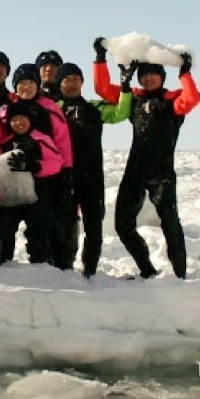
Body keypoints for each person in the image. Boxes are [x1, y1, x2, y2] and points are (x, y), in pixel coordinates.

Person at [93, 38, 200, 278]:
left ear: (162, 77)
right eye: (144, 76)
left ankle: (180, 275)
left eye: (153, 75)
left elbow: (192, 98)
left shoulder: (172, 101)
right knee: (122, 224)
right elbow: (103, 90)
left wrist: (184, 73)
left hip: (161, 174)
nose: (148, 79)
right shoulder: (134, 98)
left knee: (170, 224)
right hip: (135, 170)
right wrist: (101, 59)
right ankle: (147, 270)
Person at [55, 61, 132, 277]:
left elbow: (120, 113)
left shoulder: (94, 107)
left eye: (75, 79)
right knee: (65, 225)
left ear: (82, 82)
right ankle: (63, 268)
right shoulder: (53, 109)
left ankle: (89, 270)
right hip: (64, 177)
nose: (71, 84)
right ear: (59, 83)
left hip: (91, 176)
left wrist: (125, 88)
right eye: (66, 80)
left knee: (94, 226)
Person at [8, 63, 74, 269]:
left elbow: (62, 142)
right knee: (5, 225)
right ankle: (1, 267)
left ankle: (48, 267)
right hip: (13, 178)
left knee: (45, 226)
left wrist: (65, 171)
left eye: (30, 82)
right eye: (21, 83)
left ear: (37, 84)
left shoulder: (50, 108)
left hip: (46, 177)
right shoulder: (7, 109)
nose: (26, 87)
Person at [0, 101, 63, 265]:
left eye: (22, 118)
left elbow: (56, 162)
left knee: (39, 234)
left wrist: (35, 166)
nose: (19, 123)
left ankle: (41, 268)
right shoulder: (4, 143)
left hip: (38, 196)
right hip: (10, 196)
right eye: (14, 119)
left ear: (30, 119)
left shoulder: (41, 139)